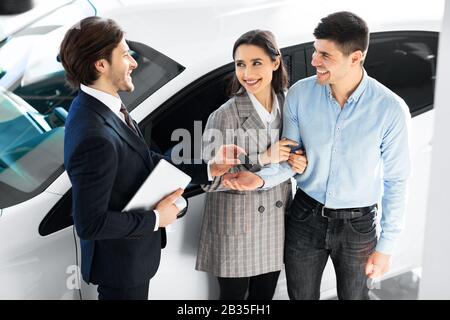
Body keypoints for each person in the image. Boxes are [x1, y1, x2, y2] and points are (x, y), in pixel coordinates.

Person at [223, 11, 411, 300]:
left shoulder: (390, 110)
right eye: (315, 50)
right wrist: (258, 180)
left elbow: (397, 181)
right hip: (305, 216)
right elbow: (291, 157)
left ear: (356, 57)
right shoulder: (299, 95)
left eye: (325, 55)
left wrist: (386, 247)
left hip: (358, 226)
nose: (314, 61)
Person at [60, 16, 243, 300]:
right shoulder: (94, 135)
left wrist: (208, 167)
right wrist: (157, 218)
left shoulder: (96, 104)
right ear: (101, 64)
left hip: (130, 261)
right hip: (121, 268)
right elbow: (90, 223)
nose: (133, 62)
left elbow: (143, 159)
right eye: (124, 55)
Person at [195, 30, 307, 300]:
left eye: (256, 62)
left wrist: (297, 161)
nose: (247, 73)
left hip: (275, 223)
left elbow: (298, 157)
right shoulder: (225, 115)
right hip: (237, 226)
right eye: (240, 64)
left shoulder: (289, 104)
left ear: (275, 63)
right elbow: (207, 180)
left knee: (263, 298)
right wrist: (261, 158)